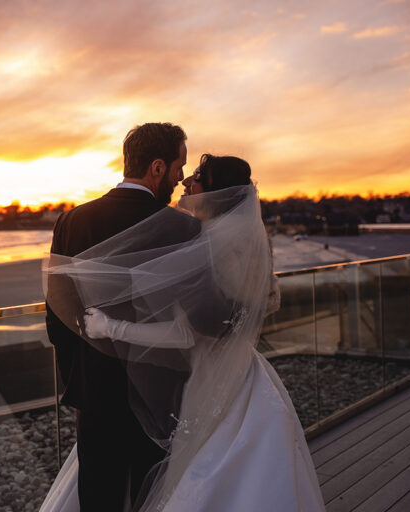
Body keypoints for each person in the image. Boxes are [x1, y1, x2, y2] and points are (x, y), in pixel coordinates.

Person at [41, 153, 325, 511]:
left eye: (197, 176)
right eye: (185, 171)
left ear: (217, 193)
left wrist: (109, 328)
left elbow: (189, 333)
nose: (186, 181)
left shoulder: (206, 242)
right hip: (232, 371)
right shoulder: (230, 237)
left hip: (199, 377)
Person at [44, 122, 202, 511]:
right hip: (160, 391)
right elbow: (193, 315)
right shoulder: (183, 227)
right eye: (178, 167)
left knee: (99, 496)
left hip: (95, 389)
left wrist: (81, 373)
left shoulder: (73, 220)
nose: (180, 178)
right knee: (155, 496)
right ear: (157, 167)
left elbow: (57, 314)